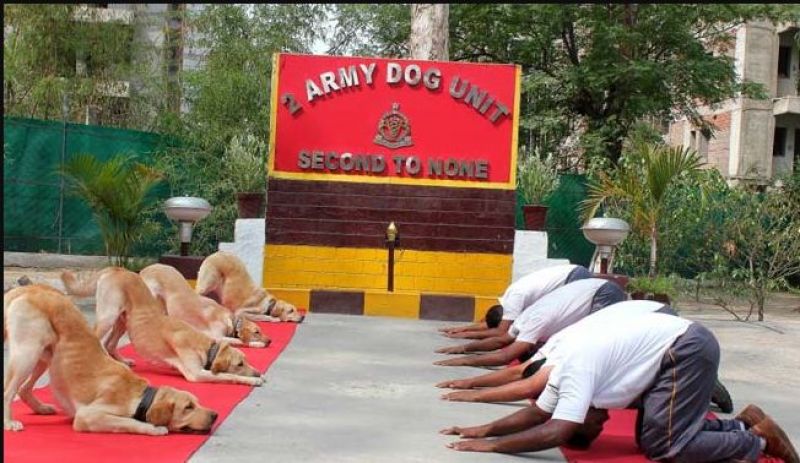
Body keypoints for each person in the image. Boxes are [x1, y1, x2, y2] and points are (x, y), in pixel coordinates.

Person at [440, 308, 800, 463]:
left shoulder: (576, 373)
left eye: (592, 430)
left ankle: (756, 440)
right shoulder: (561, 374)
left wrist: (490, 448)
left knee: (668, 448)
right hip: (676, 351)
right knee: (652, 440)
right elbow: (535, 414)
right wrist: (480, 430)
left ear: (579, 414)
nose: (603, 425)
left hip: (685, 348)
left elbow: (555, 431)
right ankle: (742, 423)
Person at [434, 278, 625, 367]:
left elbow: (504, 355)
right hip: (592, 288)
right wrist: (464, 347)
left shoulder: (532, 321)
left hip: (601, 292)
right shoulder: (522, 320)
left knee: (594, 344)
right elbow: (501, 340)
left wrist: (463, 358)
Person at [438, 264, 591, 340]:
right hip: (572, 272)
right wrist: (463, 328)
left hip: (573, 277)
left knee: (566, 318)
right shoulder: (508, 299)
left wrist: (465, 336)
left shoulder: (514, 300)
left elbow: (500, 331)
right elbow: (488, 322)